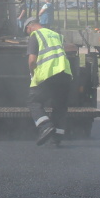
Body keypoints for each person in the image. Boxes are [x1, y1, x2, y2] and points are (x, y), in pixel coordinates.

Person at [23, 17, 72, 146]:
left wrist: (32, 73)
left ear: (29, 27)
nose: (28, 34)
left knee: (33, 101)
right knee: (60, 105)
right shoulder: (57, 35)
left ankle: (45, 126)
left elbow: (32, 60)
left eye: (26, 31)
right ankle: (57, 137)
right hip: (65, 73)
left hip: (48, 74)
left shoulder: (35, 35)